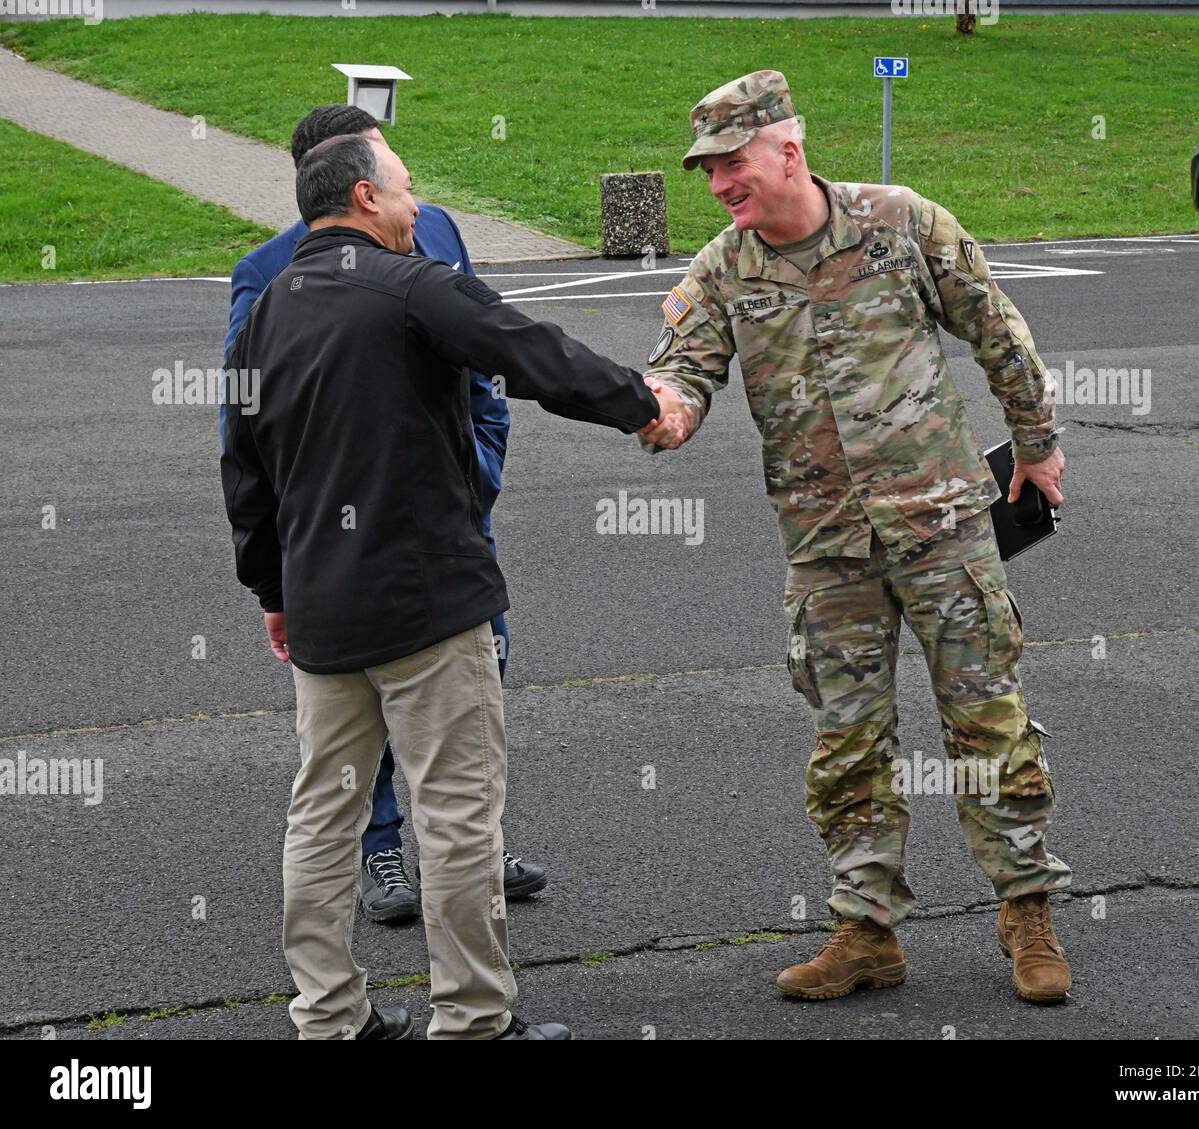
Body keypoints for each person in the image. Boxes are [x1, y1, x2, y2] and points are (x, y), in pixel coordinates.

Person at [221, 133, 689, 1039]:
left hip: (321, 610)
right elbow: (528, 351)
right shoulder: (412, 286)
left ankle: (328, 1017)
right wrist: (643, 400)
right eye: (404, 189)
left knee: (323, 812)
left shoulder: (266, 313)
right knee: (457, 814)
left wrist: (272, 587)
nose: (414, 206)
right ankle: (473, 1017)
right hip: (428, 604)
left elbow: (243, 469)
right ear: (363, 197)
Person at [641, 71, 1074, 1005]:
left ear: (785, 151)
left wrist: (1036, 446)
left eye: (730, 163)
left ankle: (1028, 910)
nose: (717, 184)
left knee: (987, 718)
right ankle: (866, 930)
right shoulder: (724, 269)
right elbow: (681, 370)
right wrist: (665, 412)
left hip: (944, 526)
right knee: (848, 740)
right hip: (827, 546)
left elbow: (996, 330)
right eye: (705, 170)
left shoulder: (903, 223)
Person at [224, 104, 546, 923]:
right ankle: (383, 852)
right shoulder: (265, 273)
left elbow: (487, 371)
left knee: (476, 690)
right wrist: (274, 580)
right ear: (350, 185)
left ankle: (473, 844)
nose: (405, 187)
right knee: (356, 726)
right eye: (387, 168)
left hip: (450, 524)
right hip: (346, 548)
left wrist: (475, 476)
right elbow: (246, 427)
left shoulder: (434, 228)